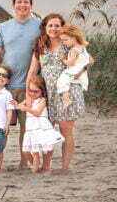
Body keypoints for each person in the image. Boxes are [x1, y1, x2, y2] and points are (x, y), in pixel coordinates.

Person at [0, 0, 40, 170]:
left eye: (26, 2)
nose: (22, 5)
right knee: (0, 126)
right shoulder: (3, 28)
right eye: (19, 2)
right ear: (13, 5)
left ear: (31, 5)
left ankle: (24, 160)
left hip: (29, 86)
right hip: (5, 87)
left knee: (26, 127)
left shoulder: (40, 26)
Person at [27, 14, 92, 175]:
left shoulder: (68, 43)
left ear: (62, 27)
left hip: (68, 91)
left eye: (57, 25)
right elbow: (33, 69)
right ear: (45, 27)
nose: (53, 29)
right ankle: (46, 165)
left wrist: (80, 72)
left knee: (65, 129)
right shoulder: (40, 44)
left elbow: (89, 60)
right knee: (47, 129)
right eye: (50, 25)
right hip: (48, 93)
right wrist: (28, 92)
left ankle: (64, 167)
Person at [13, 75, 64, 173]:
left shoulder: (42, 100)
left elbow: (37, 112)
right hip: (30, 128)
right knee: (26, 151)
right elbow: (20, 106)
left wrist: (26, 108)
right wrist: (16, 105)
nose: (32, 93)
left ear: (42, 91)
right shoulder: (29, 100)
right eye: (30, 90)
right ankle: (36, 166)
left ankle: (35, 170)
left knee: (35, 152)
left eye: (35, 91)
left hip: (40, 127)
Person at [57, 24, 90, 112]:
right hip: (82, 72)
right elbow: (87, 60)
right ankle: (67, 99)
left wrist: (63, 59)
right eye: (62, 40)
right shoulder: (83, 47)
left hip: (74, 70)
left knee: (61, 81)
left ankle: (66, 99)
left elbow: (71, 63)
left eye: (65, 40)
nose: (64, 42)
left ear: (74, 37)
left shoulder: (73, 50)